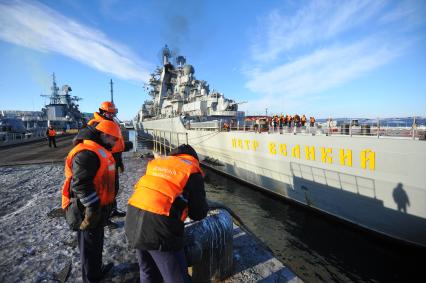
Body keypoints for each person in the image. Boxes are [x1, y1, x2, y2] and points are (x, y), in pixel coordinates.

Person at [125, 144, 209, 283]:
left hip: (133, 221)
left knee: (148, 272)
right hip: (159, 230)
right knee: (177, 278)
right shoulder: (192, 172)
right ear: (194, 158)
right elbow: (198, 213)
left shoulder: (157, 163)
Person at [61, 120, 121, 282]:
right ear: (103, 135)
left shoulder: (98, 149)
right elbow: (81, 185)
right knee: (88, 246)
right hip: (85, 210)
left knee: (95, 243)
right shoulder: (86, 153)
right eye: (113, 139)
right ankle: (91, 278)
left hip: (98, 208)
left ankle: (96, 271)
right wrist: (93, 208)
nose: (115, 143)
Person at [87, 101, 126, 226]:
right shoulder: (95, 124)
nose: (111, 115)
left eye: (112, 113)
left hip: (113, 159)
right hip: (104, 160)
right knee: (104, 190)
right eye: (109, 113)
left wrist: (119, 159)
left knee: (113, 188)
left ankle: (112, 210)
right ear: (103, 111)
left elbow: (116, 144)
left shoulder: (111, 122)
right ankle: (104, 218)